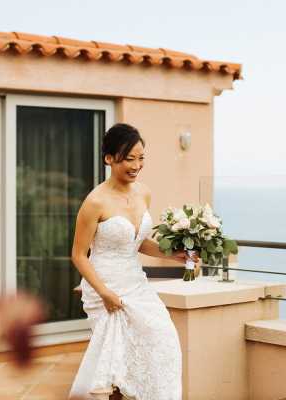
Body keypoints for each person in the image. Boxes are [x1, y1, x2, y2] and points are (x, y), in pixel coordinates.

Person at [68, 123, 198, 400]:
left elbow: (138, 242)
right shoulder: (95, 202)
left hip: (136, 284)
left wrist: (172, 254)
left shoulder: (144, 193)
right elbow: (78, 255)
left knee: (165, 342)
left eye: (141, 158)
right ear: (109, 158)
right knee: (113, 363)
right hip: (105, 287)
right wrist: (104, 293)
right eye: (129, 158)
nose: (136, 165)